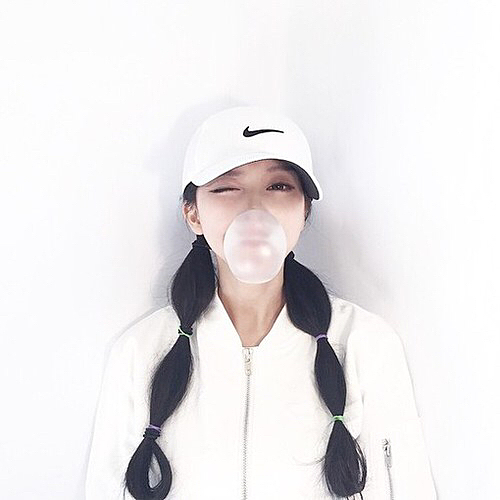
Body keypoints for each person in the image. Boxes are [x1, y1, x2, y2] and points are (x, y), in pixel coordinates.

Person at [85, 105, 438, 499]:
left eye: (279, 186)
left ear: (304, 210)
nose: (254, 207)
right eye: (226, 188)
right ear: (193, 213)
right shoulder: (141, 351)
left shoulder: (364, 343)